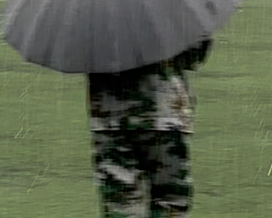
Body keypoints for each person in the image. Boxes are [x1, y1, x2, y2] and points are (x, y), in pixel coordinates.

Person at [88, 38, 212, 217]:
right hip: (163, 114)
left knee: (121, 204)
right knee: (170, 202)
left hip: (110, 118)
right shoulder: (172, 11)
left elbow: (76, 55)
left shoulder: (91, 14)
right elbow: (195, 55)